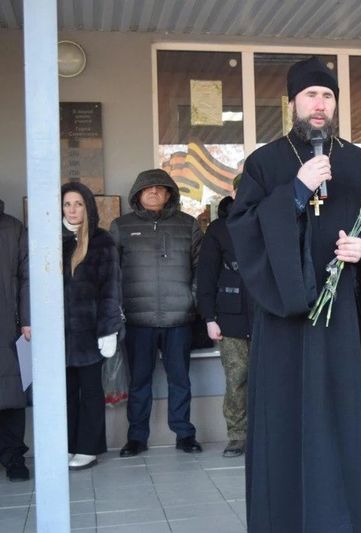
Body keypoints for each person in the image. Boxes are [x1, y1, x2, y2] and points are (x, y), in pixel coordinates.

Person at [227, 57, 361, 532]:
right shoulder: (266, 163)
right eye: (310, 95)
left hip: (341, 319)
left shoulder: (360, 163)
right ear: (292, 104)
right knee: (285, 428)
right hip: (285, 327)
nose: (319, 104)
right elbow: (242, 231)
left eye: (327, 96)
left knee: (343, 425)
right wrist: (294, 194)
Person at [110, 169, 203, 457]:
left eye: (160, 188)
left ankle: (184, 434)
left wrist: (193, 301)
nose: (153, 192)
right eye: (147, 188)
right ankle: (136, 437)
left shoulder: (188, 225)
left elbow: (201, 269)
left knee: (180, 379)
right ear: (137, 194)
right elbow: (112, 273)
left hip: (179, 318)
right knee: (139, 381)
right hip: (138, 319)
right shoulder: (121, 226)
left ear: (169, 194)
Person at [61, 183, 123, 470]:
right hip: (59, 335)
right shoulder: (52, 239)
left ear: (88, 207)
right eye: (67, 204)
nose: (72, 210)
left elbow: (111, 288)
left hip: (89, 333)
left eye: (78, 204)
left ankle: (88, 448)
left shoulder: (101, 241)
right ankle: (68, 445)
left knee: (90, 392)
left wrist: (108, 329)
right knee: (65, 394)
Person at [197, 193, 251, 458]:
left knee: (270, 381)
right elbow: (206, 274)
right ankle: (238, 436)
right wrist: (209, 318)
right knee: (236, 380)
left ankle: (268, 432)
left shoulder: (271, 219)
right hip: (231, 319)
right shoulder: (219, 229)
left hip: (270, 319)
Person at [0, 198, 30, 482]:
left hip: (8, 323)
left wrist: (28, 319)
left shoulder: (13, 228)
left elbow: (27, 278)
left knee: (11, 394)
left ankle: (13, 457)